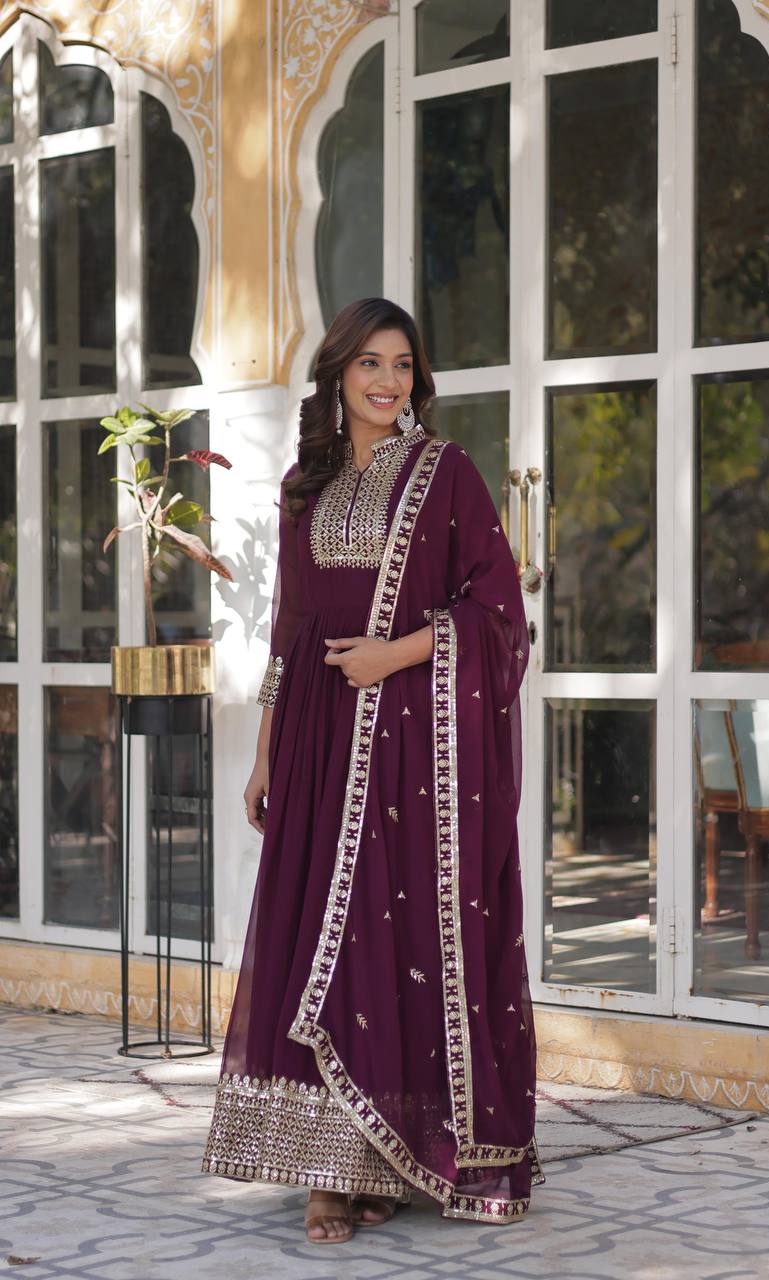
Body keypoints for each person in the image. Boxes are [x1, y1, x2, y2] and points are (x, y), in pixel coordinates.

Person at [201, 297, 543, 1243]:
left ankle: (388, 1157)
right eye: (369, 364)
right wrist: (266, 752)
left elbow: (498, 609)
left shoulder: (446, 474)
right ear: (337, 373)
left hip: (412, 748)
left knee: (393, 945)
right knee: (319, 935)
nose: (388, 381)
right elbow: (289, 628)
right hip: (318, 740)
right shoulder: (303, 484)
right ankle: (327, 1170)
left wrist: (395, 654)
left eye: (402, 365)